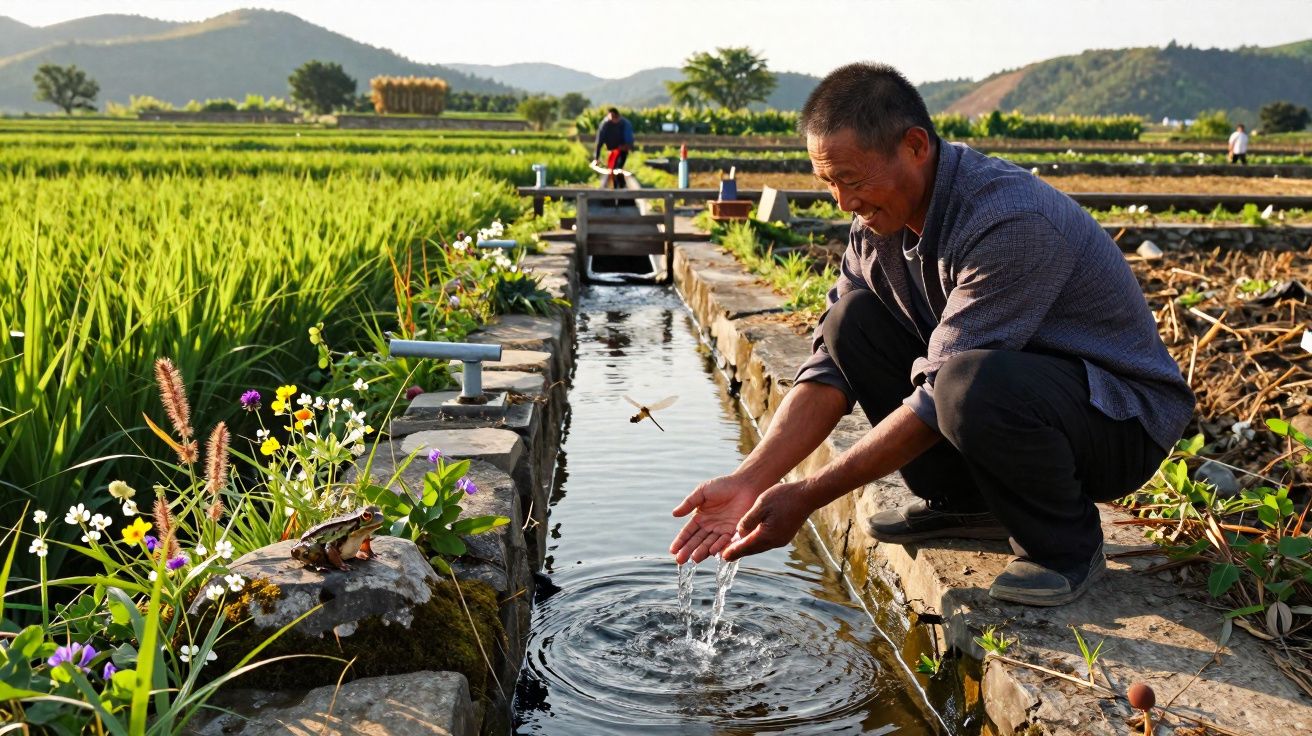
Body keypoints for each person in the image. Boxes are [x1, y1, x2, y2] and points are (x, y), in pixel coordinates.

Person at [668, 63, 1194, 607]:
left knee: (966, 381)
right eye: (828, 183)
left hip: (1115, 422)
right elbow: (828, 369)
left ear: (915, 146)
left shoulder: (1010, 221)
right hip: (1013, 398)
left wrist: (807, 495)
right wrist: (750, 479)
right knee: (851, 322)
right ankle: (966, 505)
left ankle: (1065, 546)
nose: (844, 202)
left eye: (852, 179)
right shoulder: (876, 227)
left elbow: (936, 395)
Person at [592, 107, 635, 190]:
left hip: (622, 151)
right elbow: (599, 142)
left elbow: (630, 140)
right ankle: (616, 187)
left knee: (618, 168)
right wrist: (596, 158)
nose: (614, 119)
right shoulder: (604, 125)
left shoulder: (625, 124)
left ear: (618, 116)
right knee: (613, 169)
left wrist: (627, 147)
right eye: (612, 117)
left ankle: (621, 187)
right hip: (612, 151)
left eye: (615, 117)